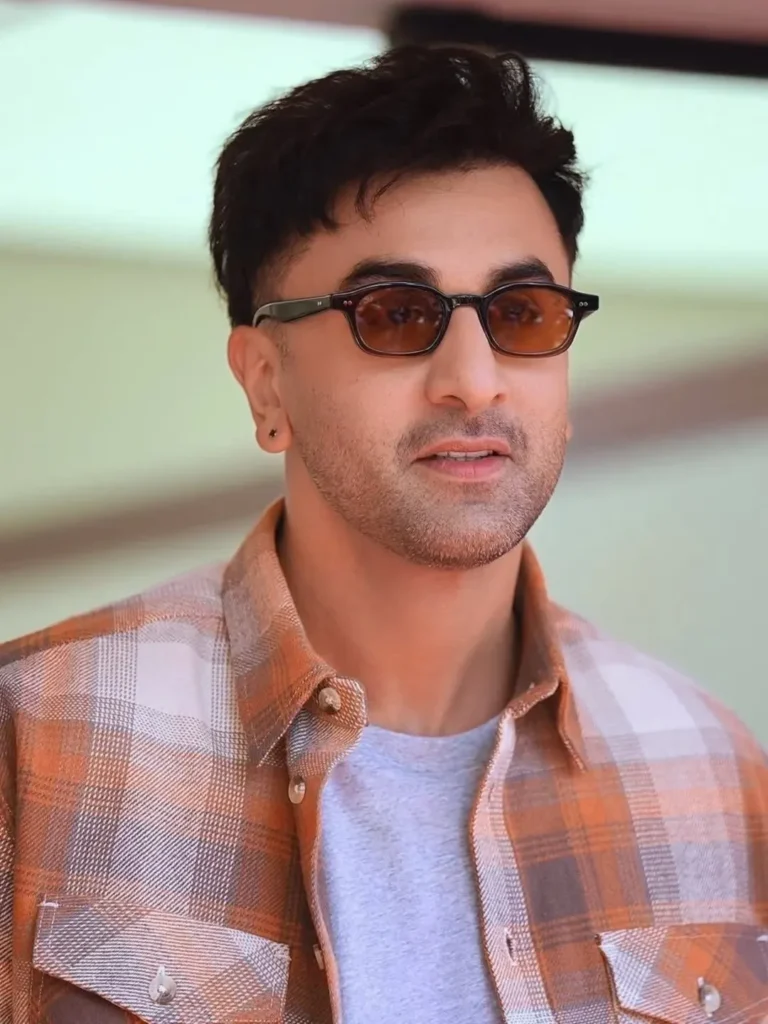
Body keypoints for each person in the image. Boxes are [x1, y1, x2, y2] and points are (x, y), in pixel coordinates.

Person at [0, 45, 766, 1024]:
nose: (475, 380)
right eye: (396, 315)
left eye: (523, 314)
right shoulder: (34, 738)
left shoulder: (711, 770)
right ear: (265, 384)